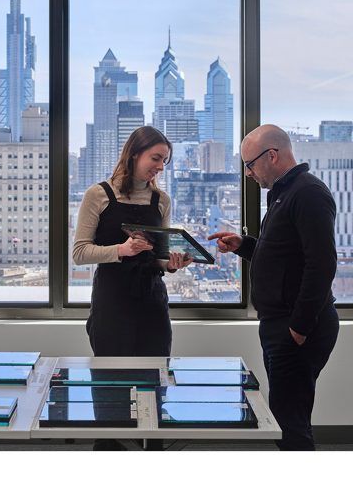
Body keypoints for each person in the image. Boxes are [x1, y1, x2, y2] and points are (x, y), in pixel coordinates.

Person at [208, 124, 339, 451]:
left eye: (250, 164)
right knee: (287, 416)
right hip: (282, 323)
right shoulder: (285, 195)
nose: (249, 173)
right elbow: (283, 258)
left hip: (297, 326)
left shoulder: (308, 193)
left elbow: (322, 264)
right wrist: (243, 245)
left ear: (273, 156)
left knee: (288, 424)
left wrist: (298, 327)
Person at [73, 126, 192, 365]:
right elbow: (80, 253)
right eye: (156, 158)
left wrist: (170, 264)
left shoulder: (162, 200)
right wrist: (122, 250)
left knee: (155, 380)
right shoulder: (98, 194)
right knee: (111, 385)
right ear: (135, 153)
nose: (160, 167)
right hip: (112, 301)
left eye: (165, 161)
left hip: (152, 301)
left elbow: (158, 255)